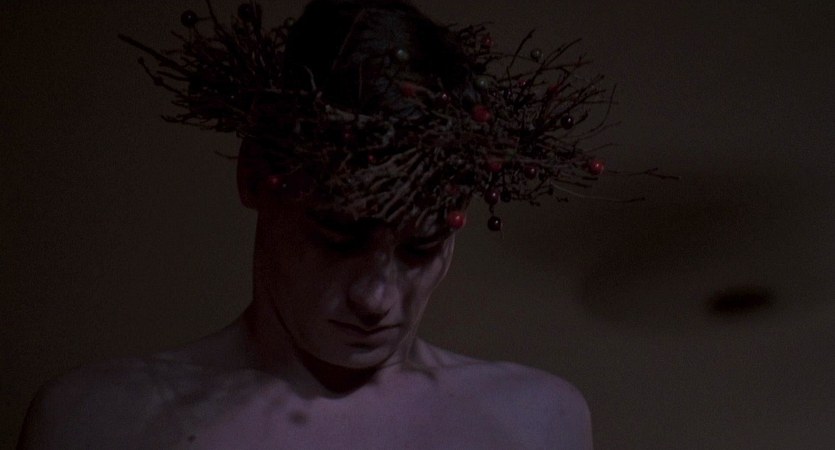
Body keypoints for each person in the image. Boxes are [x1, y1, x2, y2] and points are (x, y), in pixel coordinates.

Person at [18, 0, 596, 448]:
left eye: (419, 249)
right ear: (255, 177)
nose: (376, 298)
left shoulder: (536, 421)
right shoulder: (97, 421)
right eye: (339, 239)